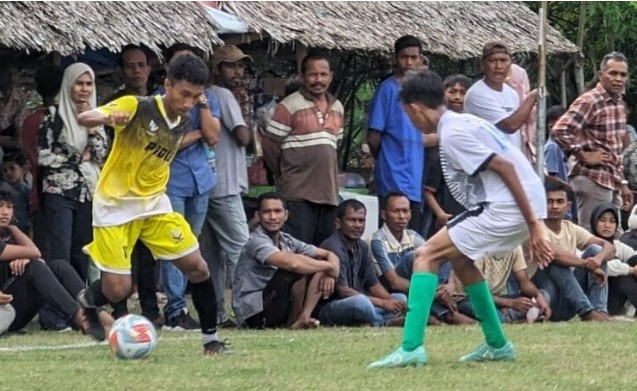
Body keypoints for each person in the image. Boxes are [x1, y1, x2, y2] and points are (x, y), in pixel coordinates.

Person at [368, 70, 551, 369]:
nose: (411, 122)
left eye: (407, 114)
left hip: (509, 206)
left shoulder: (453, 133)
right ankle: (497, 344)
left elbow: (504, 167)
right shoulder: (465, 121)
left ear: (415, 108)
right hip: (523, 201)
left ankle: (411, 348)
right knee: (462, 261)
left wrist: (534, 225)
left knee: (425, 255)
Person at [75, 53, 230, 355]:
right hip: (115, 206)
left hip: (156, 205)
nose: (188, 103)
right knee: (118, 289)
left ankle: (211, 341)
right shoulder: (137, 106)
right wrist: (107, 117)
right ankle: (88, 301)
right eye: (184, 94)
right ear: (167, 84)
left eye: (195, 97)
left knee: (198, 268)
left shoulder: (183, 120)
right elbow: (86, 117)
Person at [158, 44, 222, 331]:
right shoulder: (157, 103)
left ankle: (187, 306)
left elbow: (213, 136)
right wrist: (196, 134)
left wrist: (204, 104)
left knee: (192, 243)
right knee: (175, 245)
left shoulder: (204, 101)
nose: (189, 100)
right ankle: (175, 308)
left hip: (200, 180)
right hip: (171, 181)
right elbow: (168, 143)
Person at [105, 46, 162, 327]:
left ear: (149, 69)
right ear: (121, 71)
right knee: (121, 253)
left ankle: (151, 311)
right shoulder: (113, 104)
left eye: (141, 65)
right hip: (119, 191)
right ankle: (119, 310)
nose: (137, 71)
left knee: (148, 255)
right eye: (130, 66)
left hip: (149, 190)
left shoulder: (159, 104)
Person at [37, 63, 109, 282]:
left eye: (89, 84)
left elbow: (102, 154)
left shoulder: (97, 116)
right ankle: (57, 310)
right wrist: (77, 158)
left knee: (81, 252)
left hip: (87, 192)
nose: (84, 89)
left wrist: (91, 124)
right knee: (60, 252)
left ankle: (79, 304)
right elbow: (44, 157)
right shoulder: (53, 116)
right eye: (79, 83)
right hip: (59, 193)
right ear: (69, 84)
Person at [263, 53, 344, 246]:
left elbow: (334, 147)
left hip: (328, 195)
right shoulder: (289, 105)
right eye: (313, 75)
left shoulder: (338, 107)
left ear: (331, 76)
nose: (319, 80)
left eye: (323, 74)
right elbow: (270, 145)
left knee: (323, 252)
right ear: (303, 77)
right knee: (297, 252)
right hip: (297, 194)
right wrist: (283, 173)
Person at [0, 182, 98, 335]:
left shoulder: (6, 235)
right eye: (0, 206)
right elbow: (34, 253)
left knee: (58, 266)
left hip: (10, 307)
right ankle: (79, 317)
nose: (5, 212)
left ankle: (94, 311)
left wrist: (26, 256)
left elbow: (37, 257)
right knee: (34, 267)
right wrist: (28, 256)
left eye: (9, 207)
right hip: (3, 310)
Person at [232, 192, 339, 329]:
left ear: (286, 215)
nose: (273, 217)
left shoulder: (286, 239)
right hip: (253, 313)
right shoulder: (256, 240)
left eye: (277, 211)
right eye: (267, 212)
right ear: (258, 216)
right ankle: (293, 323)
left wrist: (330, 271)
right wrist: (330, 267)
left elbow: (327, 253)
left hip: (275, 302)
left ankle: (303, 318)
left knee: (318, 269)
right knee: (295, 270)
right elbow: (293, 264)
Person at [200, 45, 252, 328]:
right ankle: (247, 311)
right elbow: (243, 136)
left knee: (212, 256)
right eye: (231, 66)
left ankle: (218, 314)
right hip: (226, 186)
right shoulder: (224, 95)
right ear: (217, 69)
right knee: (241, 251)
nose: (238, 72)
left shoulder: (206, 95)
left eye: (241, 67)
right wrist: (249, 114)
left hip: (208, 184)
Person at [552, 52, 632, 230]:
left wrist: (623, 183)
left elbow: (614, 149)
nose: (618, 79)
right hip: (591, 177)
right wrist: (583, 154)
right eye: (613, 73)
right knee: (592, 237)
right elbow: (560, 130)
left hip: (610, 179)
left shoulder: (618, 102)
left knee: (612, 235)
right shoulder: (590, 100)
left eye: (622, 75)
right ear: (600, 74)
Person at [370, 192, 474, 325]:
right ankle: (449, 314)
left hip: (415, 289)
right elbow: (395, 282)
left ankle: (446, 314)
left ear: (410, 214)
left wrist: (449, 285)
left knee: (439, 252)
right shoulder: (377, 240)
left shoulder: (413, 236)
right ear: (384, 215)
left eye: (405, 211)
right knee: (414, 257)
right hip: (394, 293)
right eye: (396, 211)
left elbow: (439, 258)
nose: (401, 216)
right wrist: (434, 291)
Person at [367, 35, 428, 230]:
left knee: (413, 239)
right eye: (404, 57)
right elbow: (373, 137)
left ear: (420, 59)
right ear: (395, 58)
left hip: (415, 175)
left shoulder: (423, 92)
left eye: (413, 57)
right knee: (389, 236)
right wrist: (385, 158)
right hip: (391, 174)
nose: (409, 62)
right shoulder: (387, 89)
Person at [532, 181, 614, 321]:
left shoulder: (570, 228)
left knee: (597, 250)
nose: (554, 206)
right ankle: (587, 312)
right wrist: (585, 264)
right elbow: (552, 253)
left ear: (568, 206)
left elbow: (609, 247)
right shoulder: (536, 228)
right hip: (547, 299)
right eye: (549, 201)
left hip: (569, 301)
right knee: (554, 262)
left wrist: (597, 260)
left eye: (559, 201)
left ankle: (600, 311)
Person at [318, 200, 407, 327]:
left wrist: (390, 301)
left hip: (362, 300)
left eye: (361, 220)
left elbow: (373, 284)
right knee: (361, 303)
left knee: (400, 298)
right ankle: (382, 323)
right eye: (352, 220)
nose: (357, 225)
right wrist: (382, 303)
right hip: (333, 306)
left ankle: (368, 320)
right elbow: (343, 291)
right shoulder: (333, 246)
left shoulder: (363, 247)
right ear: (338, 223)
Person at [21, 64, 63, 259]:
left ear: (37, 87)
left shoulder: (30, 121)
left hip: (36, 192)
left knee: (43, 252)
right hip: (60, 195)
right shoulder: (63, 120)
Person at [464, 41, 537, 150]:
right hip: (488, 163)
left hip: (510, 161)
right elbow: (510, 126)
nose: (498, 66)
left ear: (510, 63)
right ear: (483, 64)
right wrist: (532, 97)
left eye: (503, 61)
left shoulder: (512, 94)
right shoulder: (477, 94)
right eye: (492, 61)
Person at [422, 74, 470, 237]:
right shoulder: (431, 119)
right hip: (439, 200)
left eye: (463, 92)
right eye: (452, 91)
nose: (457, 97)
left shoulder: (472, 122)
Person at [451, 246, 551, 323]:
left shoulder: (514, 246)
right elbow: (477, 293)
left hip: (499, 297)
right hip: (469, 298)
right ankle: (511, 318)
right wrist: (511, 303)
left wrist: (538, 296)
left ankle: (508, 314)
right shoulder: (480, 250)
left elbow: (524, 282)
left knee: (544, 295)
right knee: (500, 320)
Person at [589, 203, 637, 316]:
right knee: (622, 275)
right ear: (594, 222)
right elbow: (605, 267)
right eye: (602, 220)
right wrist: (630, 270)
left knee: (634, 259)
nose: (607, 225)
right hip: (595, 296)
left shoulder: (618, 246)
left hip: (615, 298)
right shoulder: (588, 244)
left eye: (612, 221)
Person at [0, 66, 28, 159]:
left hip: (10, 137)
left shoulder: (19, 96)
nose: (13, 77)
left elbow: (20, 130)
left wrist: (17, 140)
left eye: (15, 73)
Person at [2, 153, 30, 235]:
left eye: (12, 168)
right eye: (5, 170)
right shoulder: (3, 190)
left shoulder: (27, 191)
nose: (8, 173)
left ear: (23, 169)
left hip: (23, 229)